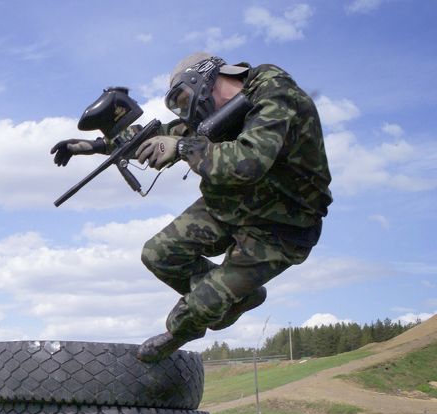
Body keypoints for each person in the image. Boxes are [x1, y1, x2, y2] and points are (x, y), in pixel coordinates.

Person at [52, 52, 332, 361]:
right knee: (158, 254)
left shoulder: (277, 95)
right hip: (231, 205)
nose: (186, 111)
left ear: (204, 79)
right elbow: (167, 133)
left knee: (201, 307)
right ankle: (237, 294)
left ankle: (185, 328)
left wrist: (184, 149)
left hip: (281, 226)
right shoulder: (221, 112)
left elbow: (248, 162)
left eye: (185, 99)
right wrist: (97, 147)